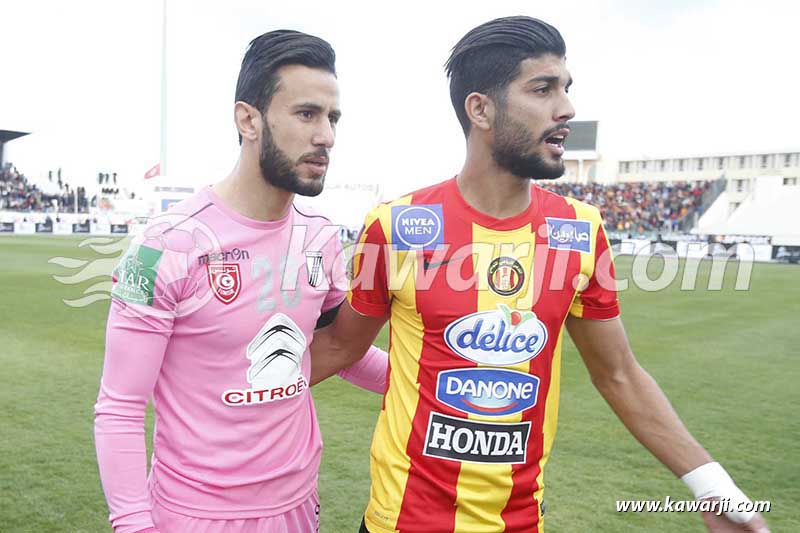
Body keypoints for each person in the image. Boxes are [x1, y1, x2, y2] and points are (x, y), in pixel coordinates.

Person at [309, 16, 769, 533]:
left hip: (521, 523)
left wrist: (714, 485)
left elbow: (618, 373)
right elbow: (339, 347)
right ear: (480, 108)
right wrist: (220, 402)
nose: (566, 108)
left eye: (566, 89)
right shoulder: (396, 227)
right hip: (401, 522)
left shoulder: (580, 229)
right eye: (543, 88)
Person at [94, 30, 387, 533]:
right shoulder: (164, 245)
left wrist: (433, 384)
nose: (327, 136)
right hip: (195, 517)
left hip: (298, 507)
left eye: (332, 118)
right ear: (248, 119)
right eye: (306, 114)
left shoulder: (318, 238)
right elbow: (119, 408)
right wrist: (134, 524)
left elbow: (342, 348)